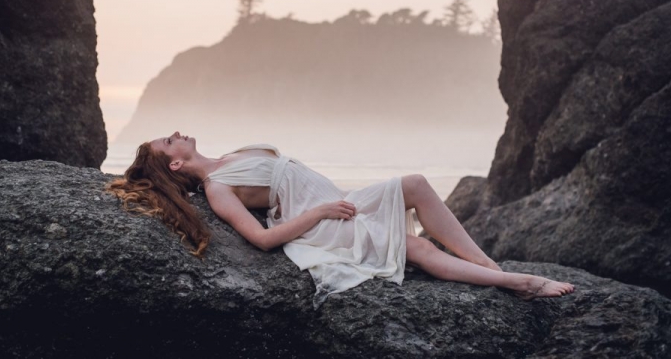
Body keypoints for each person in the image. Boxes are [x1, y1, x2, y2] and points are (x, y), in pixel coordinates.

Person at [107, 131, 574, 307]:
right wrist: (320, 212)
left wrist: (332, 201)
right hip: (324, 221)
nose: (173, 136)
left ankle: (490, 267)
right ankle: (519, 283)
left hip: (341, 201)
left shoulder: (230, 155)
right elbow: (262, 240)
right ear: (173, 165)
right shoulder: (218, 188)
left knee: (414, 183)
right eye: (165, 144)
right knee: (418, 249)